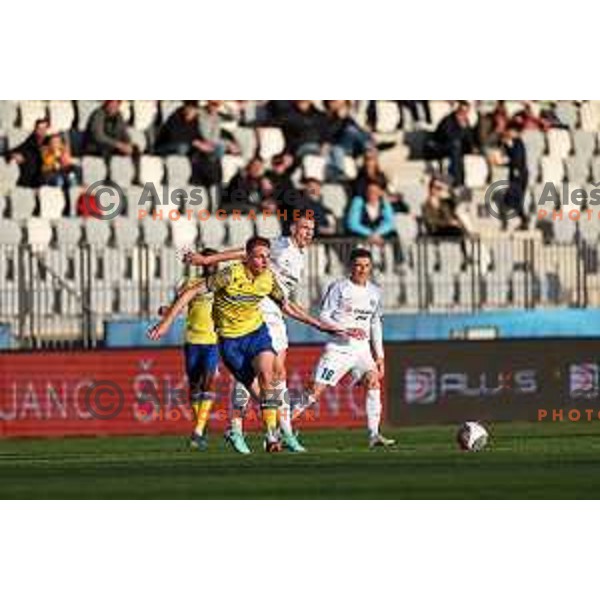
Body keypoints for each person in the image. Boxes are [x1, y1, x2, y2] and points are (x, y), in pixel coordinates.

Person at [183, 216, 347, 453]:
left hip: (276, 311)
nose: (308, 233)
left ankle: (272, 430)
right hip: (261, 308)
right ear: (293, 228)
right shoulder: (282, 245)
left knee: (273, 374)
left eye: (312, 229)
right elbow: (243, 253)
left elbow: (284, 296)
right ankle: (263, 430)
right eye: (303, 228)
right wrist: (208, 259)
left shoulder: (299, 254)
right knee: (266, 372)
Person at [294, 247, 395, 449]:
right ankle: (282, 426)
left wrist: (380, 356)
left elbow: (376, 324)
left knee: (373, 381)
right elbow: (323, 315)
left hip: (362, 350)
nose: (363, 270)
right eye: (358, 265)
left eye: (366, 266)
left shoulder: (375, 292)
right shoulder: (339, 287)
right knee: (314, 391)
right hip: (338, 348)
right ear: (351, 266)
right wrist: (343, 330)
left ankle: (374, 435)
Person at [147, 249, 220, 451]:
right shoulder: (189, 284)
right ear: (202, 265)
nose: (211, 266)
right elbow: (177, 306)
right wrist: (167, 311)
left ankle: (197, 432)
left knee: (208, 381)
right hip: (192, 340)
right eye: (208, 263)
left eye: (214, 263)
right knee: (195, 385)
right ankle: (201, 426)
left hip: (213, 341)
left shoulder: (224, 284)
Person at [346, 182, 402, 264]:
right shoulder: (358, 201)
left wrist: (377, 234)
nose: (372, 194)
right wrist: (370, 234)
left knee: (394, 234)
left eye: (375, 191)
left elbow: (390, 222)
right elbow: (352, 223)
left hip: (378, 232)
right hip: (362, 232)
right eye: (370, 191)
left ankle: (398, 262)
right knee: (354, 238)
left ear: (380, 193)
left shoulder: (384, 203)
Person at [191, 100, 240, 188]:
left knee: (224, 148)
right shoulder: (200, 112)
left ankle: (213, 172)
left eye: (216, 105)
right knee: (221, 147)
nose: (214, 107)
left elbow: (234, 117)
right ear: (208, 103)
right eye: (213, 104)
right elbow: (204, 135)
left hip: (215, 143)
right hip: (202, 141)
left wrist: (224, 104)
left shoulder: (218, 115)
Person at [430, 101, 476, 187]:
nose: (464, 114)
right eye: (462, 111)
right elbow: (448, 137)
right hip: (441, 146)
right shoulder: (448, 120)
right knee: (456, 146)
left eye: (466, 112)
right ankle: (457, 182)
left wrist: (465, 129)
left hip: (456, 148)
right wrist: (461, 128)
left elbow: (469, 139)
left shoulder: (466, 121)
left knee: (459, 150)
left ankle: (461, 181)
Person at [496, 123, 529, 230]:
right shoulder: (515, 143)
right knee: (512, 200)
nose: (508, 133)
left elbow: (517, 160)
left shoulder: (517, 143)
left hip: (518, 175)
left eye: (510, 131)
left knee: (512, 200)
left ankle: (520, 221)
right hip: (518, 175)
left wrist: (513, 169)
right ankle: (522, 221)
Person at [8, 118, 49, 187]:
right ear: (35, 130)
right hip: (31, 178)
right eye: (40, 129)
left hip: (47, 175)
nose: (42, 131)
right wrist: (14, 155)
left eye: (44, 128)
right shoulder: (29, 141)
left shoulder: (50, 141)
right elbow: (14, 150)